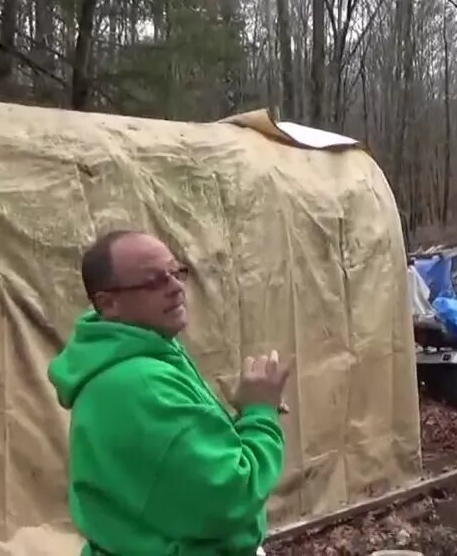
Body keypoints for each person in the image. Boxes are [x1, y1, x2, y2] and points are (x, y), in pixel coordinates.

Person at [47, 229, 291, 555]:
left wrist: (243, 417)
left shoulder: (137, 356)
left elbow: (175, 474)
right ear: (109, 303)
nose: (175, 288)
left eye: (176, 272)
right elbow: (232, 493)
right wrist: (260, 414)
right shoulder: (139, 385)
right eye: (153, 281)